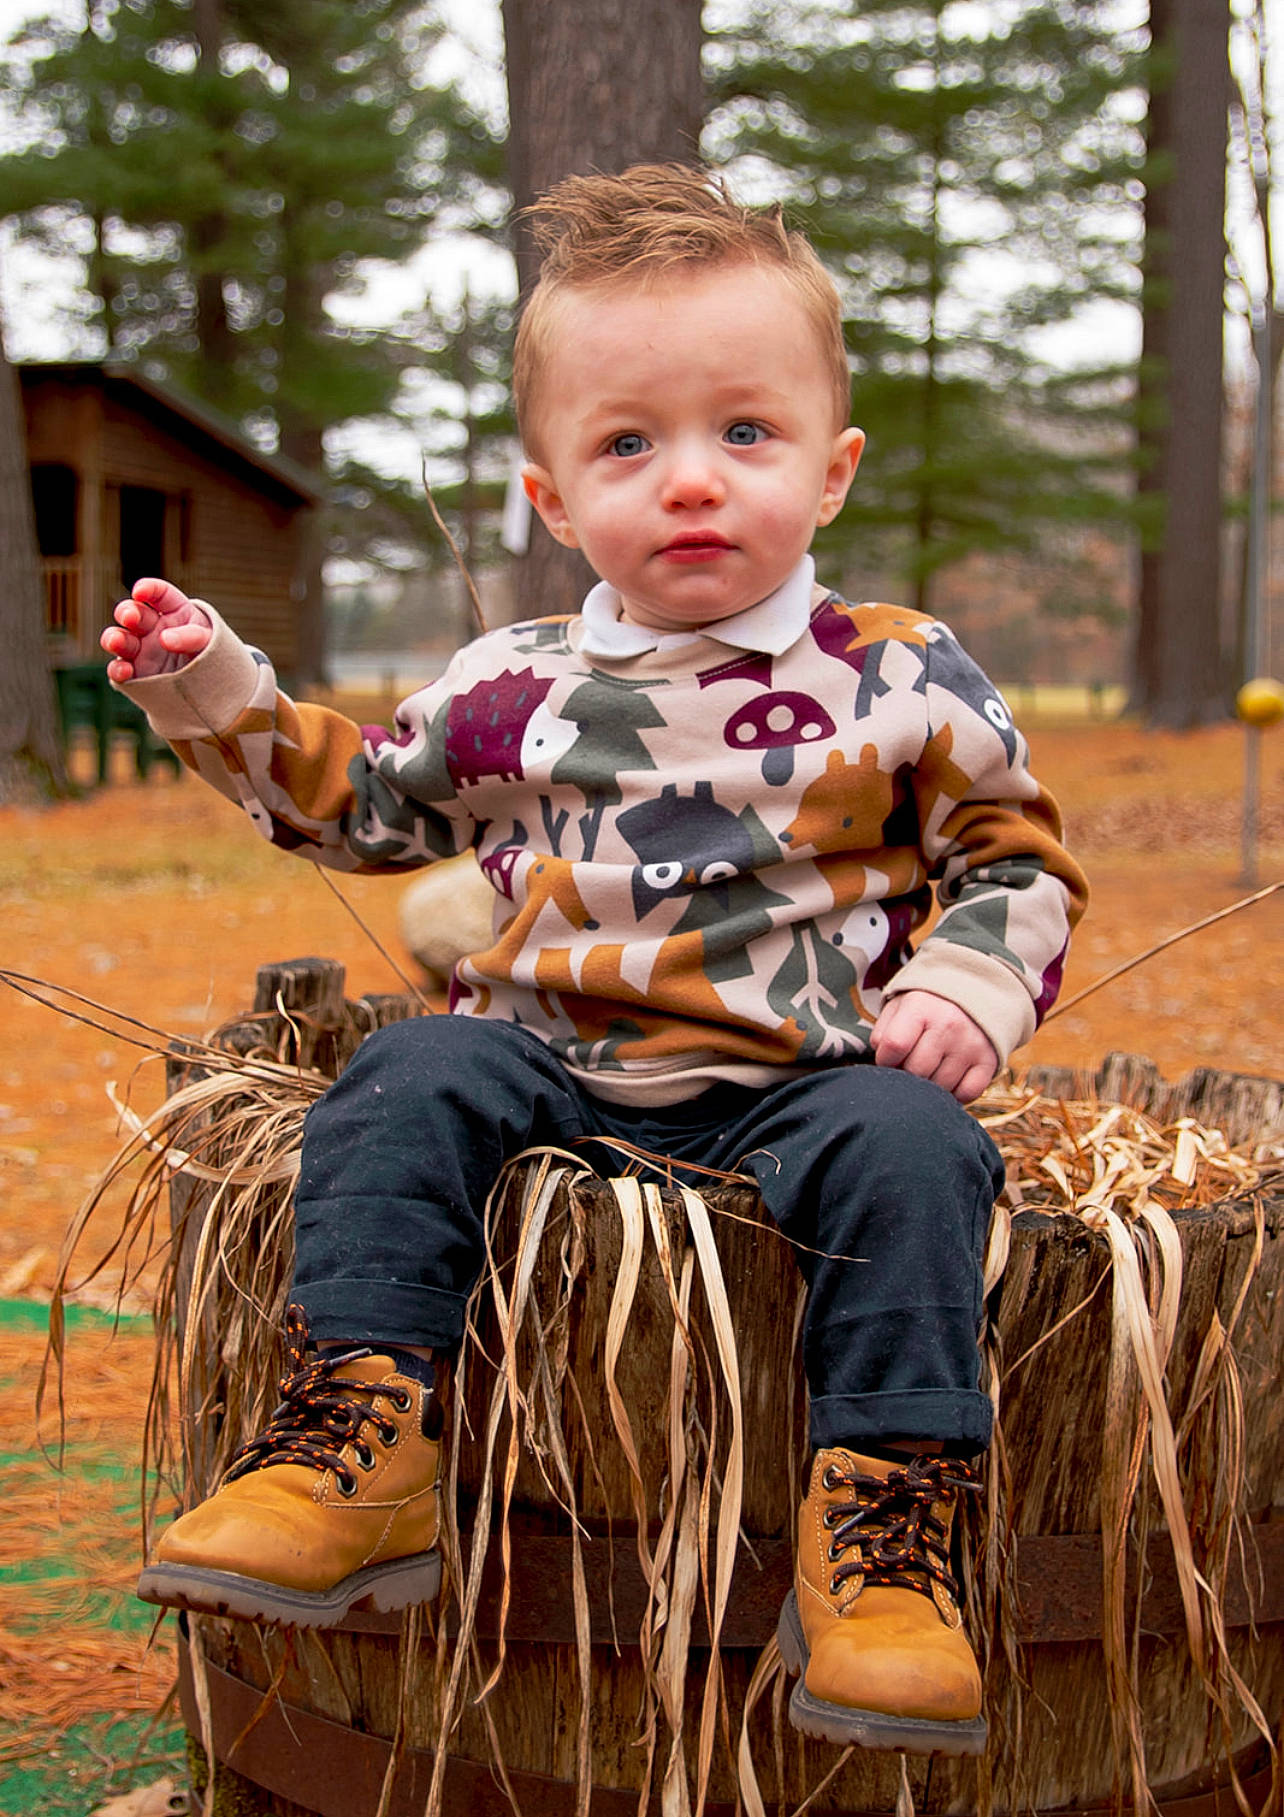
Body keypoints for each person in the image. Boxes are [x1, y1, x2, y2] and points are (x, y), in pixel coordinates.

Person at [102, 163, 1087, 1758]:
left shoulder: (899, 673)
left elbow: (1015, 856)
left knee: (923, 1152)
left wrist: (963, 984)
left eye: (744, 434)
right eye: (630, 443)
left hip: (807, 1076)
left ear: (829, 471)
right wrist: (214, 685)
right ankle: (361, 1441)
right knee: (404, 1071)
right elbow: (361, 810)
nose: (692, 481)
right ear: (554, 497)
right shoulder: (513, 686)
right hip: (546, 1061)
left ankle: (884, 1534)